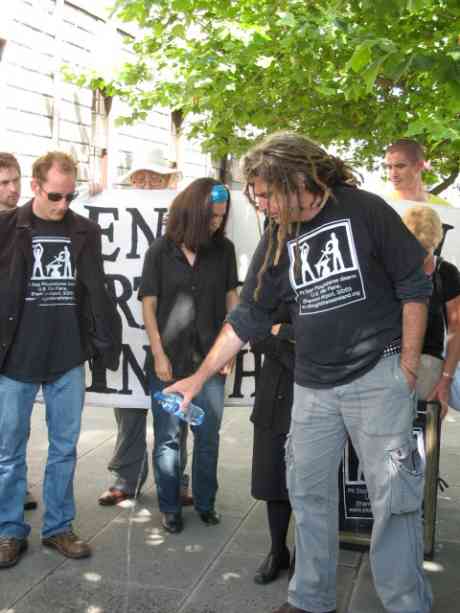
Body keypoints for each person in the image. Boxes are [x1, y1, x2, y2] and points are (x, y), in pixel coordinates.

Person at [166, 132, 433, 613]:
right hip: (311, 387)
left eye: (267, 193)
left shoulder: (365, 209)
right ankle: (311, 599)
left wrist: (408, 367)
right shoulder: (277, 236)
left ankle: (406, 603)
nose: (261, 204)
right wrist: (198, 377)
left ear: (297, 179)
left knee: (395, 500)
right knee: (307, 494)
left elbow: (415, 285)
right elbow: (247, 316)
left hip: (378, 376)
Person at [0, 151, 121, 569]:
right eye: (55, 195)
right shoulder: (6, 228)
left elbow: (96, 291)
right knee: (9, 452)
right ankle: (8, 531)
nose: (63, 204)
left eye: (70, 196)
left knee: (64, 449)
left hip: (67, 356)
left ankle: (58, 528)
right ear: (34, 186)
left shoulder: (85, 230)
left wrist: (105, 345)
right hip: (15, 357)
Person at [139, 178, 239, 534]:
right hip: (169, 364)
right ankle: (169, 507)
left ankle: (206, 502)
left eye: (221, 217)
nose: (216, 223)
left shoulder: (224, 250)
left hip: (210, 362)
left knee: (208, 435)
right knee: (168, 438)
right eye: (211, 217)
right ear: (192, 213)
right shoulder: (159, 251)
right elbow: (148, 306)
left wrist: (231, 347)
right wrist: (158, 353)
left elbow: (232, 301)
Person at [98, 148, 191, 507]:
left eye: (155, 176)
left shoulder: (184, 216)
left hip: (170, 329)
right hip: (128, 326)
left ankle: (176, 478)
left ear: (170, 182)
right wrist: (94, 194)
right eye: (140, 176)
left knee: (174, 409)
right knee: (128, 407)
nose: (146, 182)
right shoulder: (116, 207)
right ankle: (127, 476)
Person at [0, 152, 38, 512]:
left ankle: (15, 488)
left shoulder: (26, 221)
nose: (13, 189)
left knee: (14, 426)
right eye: (4, 183)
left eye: (16, 180)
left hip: (14, 343)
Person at [402, 205, 460, 418]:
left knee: (423, 436)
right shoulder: (391, 267)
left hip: (428, 363)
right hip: (390, 360)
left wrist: (445, 380)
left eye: (426, 250)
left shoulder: (446, 273)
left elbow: (456, 328)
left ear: (436, 242)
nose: (419, 257)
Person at [250, 304, 294, 585]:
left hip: (313, 395)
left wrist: (285, 332)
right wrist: (294, 342)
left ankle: (305, 556)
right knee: (273, 480)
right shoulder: (273, 280)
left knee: (308, 485)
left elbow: (329, 339)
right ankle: (277, 551)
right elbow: (257, 334)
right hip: (273, 395)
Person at [385, 138, 450, 205]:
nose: (393, 174)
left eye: (400, 166)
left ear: (419, 166)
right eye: (389, 167)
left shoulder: (445, 208)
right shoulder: (383, 205)